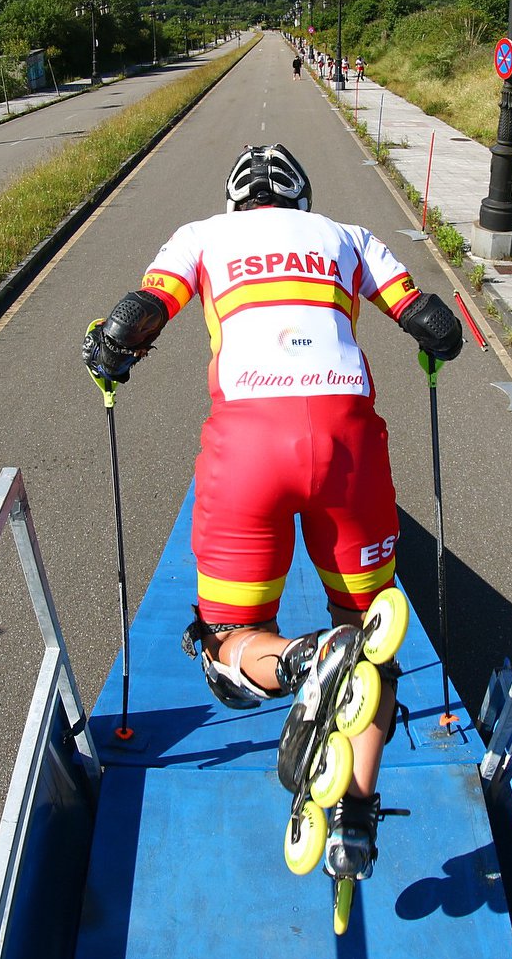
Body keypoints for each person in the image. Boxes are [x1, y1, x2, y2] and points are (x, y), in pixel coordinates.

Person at [82, 143, 461, 881]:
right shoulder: (349, 237)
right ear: (301, 198)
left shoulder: (201, 236)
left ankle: (301, 659)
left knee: (228, 638)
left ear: (235, 200)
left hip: (248, 451)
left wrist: (109, 357)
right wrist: (433, 350)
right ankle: (355, 818)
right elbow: (433, 325)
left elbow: (137, 316)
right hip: (349, 447)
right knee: (372, 638)